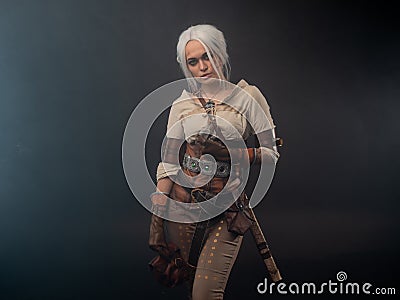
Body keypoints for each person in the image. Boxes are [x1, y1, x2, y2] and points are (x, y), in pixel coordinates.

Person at [149, 24, 280, 300]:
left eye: (207, 56)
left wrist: (235, 154)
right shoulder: (181, 104)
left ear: (220, 55)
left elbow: (270, 152)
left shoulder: (248, 97)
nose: (202, 66)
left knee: (205, 295)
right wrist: (159, 205)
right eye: (193, 61)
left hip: (227, 207)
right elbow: (170, 162)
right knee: (191, 288)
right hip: (184, 206)